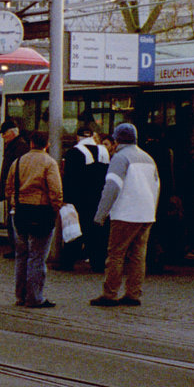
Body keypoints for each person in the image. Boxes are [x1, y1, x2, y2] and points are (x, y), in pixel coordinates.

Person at [90, 122, 160, 308]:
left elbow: (112, 187)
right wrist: (151, 210)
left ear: (116, 140)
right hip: (146, 214)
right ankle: (133, 293)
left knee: (116, 254)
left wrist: (100, 214)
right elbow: (156, 186)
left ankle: (110, 293)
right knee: (138, 255)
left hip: (125, 213)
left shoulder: (120, 158)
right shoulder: (147, 158)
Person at [5, 131, 63, 309]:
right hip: (41, 212)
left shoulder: (18, 161)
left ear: (31, 143)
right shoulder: (49, 163)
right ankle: (35, 297)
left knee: (21, 255)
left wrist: (14, 203)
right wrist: (56, 208)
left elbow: (9, 188)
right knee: (37, 257)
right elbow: (55, 190)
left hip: (21, 212)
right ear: (47, 144)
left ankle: (20, 295)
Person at [58, 125, 109, 272]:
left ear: (78, 137)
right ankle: (98, 263)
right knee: (98, 232)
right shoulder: (104, 152)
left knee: (75, 230)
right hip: (99, 198)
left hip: (79, 198)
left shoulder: (73, 153)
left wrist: (65, 199)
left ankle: (67, 262)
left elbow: (69, 178)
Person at [0, 120, 30, 258]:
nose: (3, 137)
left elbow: (15, 171)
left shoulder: (19, 147)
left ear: (11, 132)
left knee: (14, 220)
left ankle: (18, 248)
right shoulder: (15, 146)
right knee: (12, 220)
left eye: (4, 134)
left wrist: (10, 189)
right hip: (12, 189)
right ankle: (15, 248)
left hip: (16, 190)